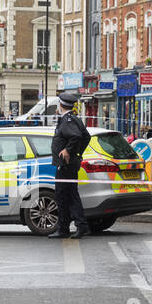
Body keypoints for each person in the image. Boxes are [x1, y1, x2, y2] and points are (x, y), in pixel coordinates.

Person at [48, 91, 91, 239]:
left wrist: (68, 151)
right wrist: (77, 153)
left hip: (65, 165)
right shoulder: (74, 119)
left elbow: (77, 136)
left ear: (61, 106)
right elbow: (86, 137)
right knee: (71, 196)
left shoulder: (67, 121)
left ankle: (67, 229)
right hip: (70, 164)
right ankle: (73, 227)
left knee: (63, 197)